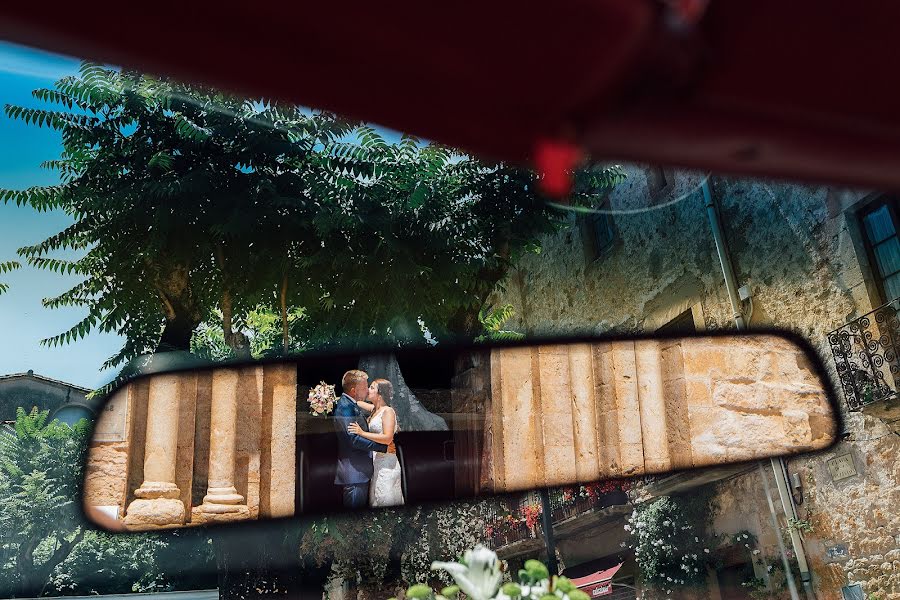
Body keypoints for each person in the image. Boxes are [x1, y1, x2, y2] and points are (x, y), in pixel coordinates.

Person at [333, 369, 389, 508]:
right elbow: (353, 440)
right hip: (355, 473)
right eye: (364, 387)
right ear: (353, 390)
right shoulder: (346, 407)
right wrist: (381, 447)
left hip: (359, 472)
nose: (367, 390)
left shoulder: (351, 404)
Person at [348, 378, 404, 507]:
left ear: (380, 394)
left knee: (385, 499)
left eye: (372, 387)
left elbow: (388, 438)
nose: (368, 390)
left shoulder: (388, 411)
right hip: (376, 463)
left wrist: (362, 433)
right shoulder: (375, 409)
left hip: (387, 464)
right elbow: (357, 402)